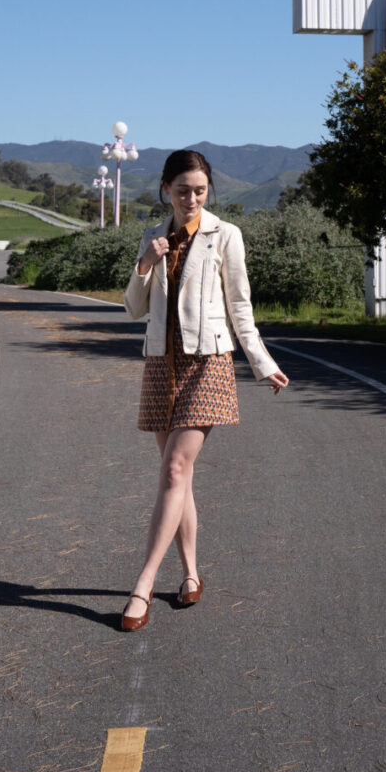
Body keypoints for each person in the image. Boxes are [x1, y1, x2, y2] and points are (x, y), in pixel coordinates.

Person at [120, 148, 289, 630]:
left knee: (175, 467)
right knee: (180, 477)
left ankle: (143, 584)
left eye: (199, 190)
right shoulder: (152, 237)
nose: (191, 198)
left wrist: (260, 361)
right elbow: (133, 308)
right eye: (182, 190)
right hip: (161, 364)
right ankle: (191, 574)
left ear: (208, 190)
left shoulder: (225, 235)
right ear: (165, 191)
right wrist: (144, 264)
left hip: (208, 362)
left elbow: (241, 306)